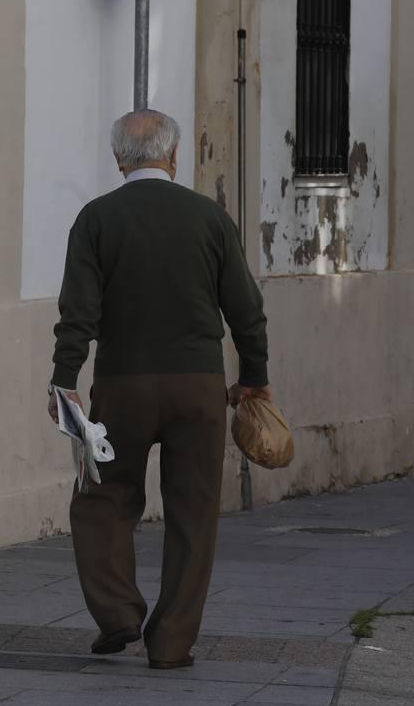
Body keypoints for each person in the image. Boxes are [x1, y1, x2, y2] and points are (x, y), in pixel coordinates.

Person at [48, 110, 270, 670]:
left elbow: (78, 313)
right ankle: (171, 642)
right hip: (199, 388)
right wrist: (253, 377)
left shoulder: (96, 219)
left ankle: (119, 613)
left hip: (122, 386)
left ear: (119, 160)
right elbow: (246, 310)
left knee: (102, 498)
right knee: (194, 513)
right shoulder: (211, 219)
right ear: (174, 158)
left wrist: (64, 380)